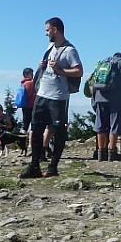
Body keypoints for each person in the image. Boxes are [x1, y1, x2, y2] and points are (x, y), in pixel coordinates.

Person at [21, 17, 83, 179]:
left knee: (59, 131)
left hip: (58, 97)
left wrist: (61, 71)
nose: (46, 34)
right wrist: (42, 66)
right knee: (36, 130)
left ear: (55, 29)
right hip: (42, 94)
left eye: (47, 30)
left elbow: (79, 71)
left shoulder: (70, 51)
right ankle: (34, 166)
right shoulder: (50, 47)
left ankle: (53, 167)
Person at [91, 48, 121, 161]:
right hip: (115, 99)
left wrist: (94, 100)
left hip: (99, 97)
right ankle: (112, 153)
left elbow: (94, 81)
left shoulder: (104, 61)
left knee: (100, 125)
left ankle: (101, 154)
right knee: (114, 126)